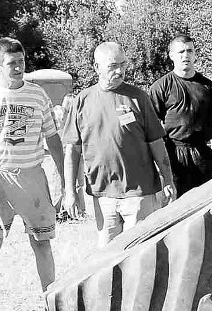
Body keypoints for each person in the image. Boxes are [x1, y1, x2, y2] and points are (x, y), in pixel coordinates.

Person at [0, 37, 64, 311]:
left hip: (32, 174)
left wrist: (62, 180)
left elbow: (53, 138)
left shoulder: (37, 95)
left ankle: (51, 306)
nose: (18, 68)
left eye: (22, 62)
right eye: (12, 63)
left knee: (42, 242)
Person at [62, 42, 176, 248]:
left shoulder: (138, 97)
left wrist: (168, 179)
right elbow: (72, 150)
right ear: (97, 67)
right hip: (102, 193)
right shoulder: (81, 101)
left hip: (139, 193)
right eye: (113, 66)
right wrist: (70, 192)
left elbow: (156, 143)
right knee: (106, 260)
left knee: (140, 256)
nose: (120, 71)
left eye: (123, 64)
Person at [149, 35, 212, 197]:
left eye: (190, 51)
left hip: (203, 153)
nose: (186, 55)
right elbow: (152, 130)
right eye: (181, 51)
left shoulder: (209, 87)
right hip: (174, 157)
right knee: (176, 211)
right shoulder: (160, 87)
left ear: (195, 54)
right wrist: (157, 165)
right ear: (171, 55)